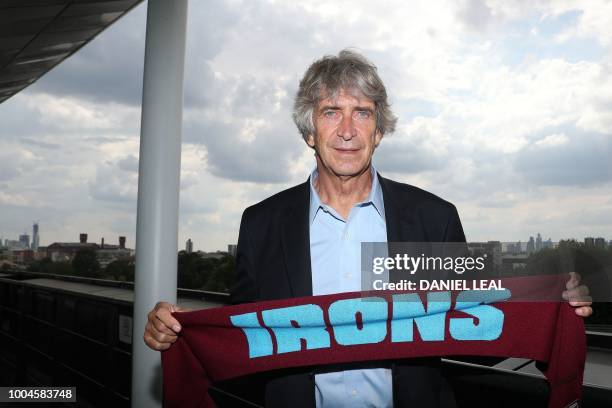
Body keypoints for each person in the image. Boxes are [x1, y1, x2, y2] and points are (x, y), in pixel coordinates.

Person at [144, 49, 593, 407]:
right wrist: (179, 329)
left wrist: (549, 307)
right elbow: (241, 338)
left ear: (379, 131)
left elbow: (475, 331)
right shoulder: (261, 224)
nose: (347, 130)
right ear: (308, 132)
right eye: (330, 112)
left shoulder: (432, 218)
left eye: (362, 113)